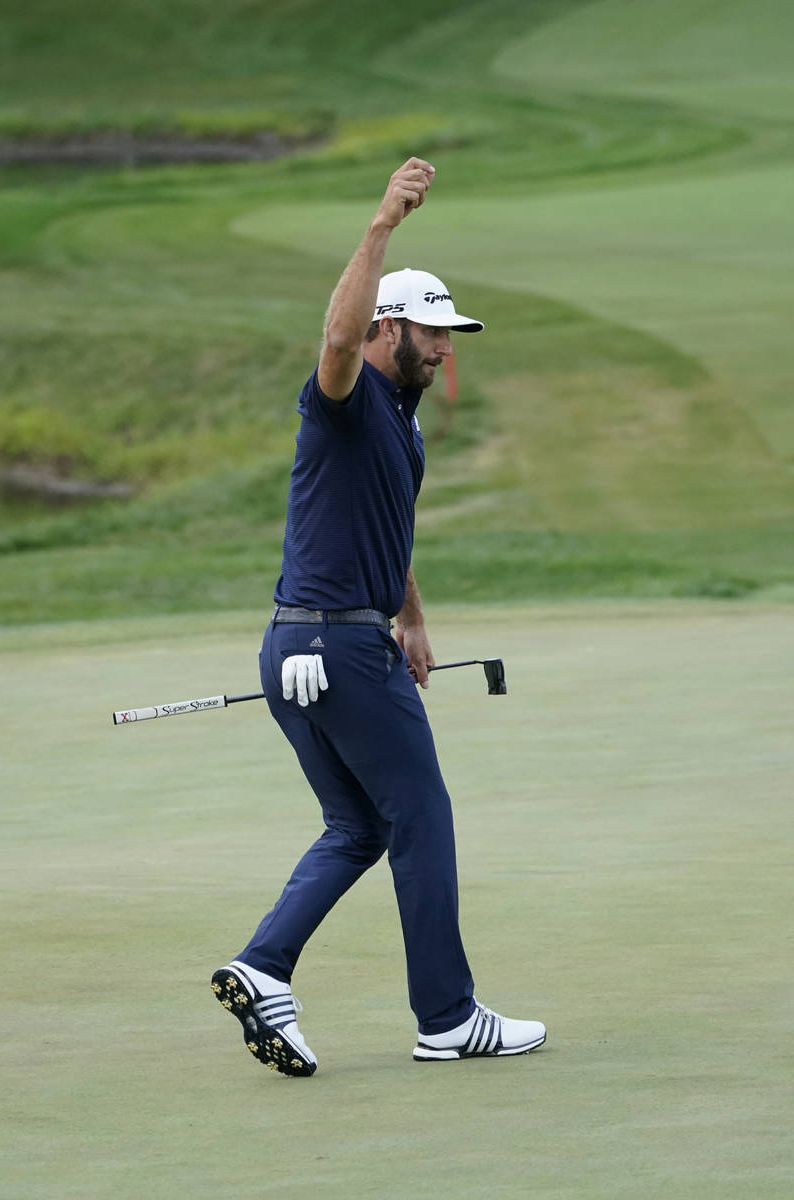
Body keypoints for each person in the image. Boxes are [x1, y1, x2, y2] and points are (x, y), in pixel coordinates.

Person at [210, 157, 546, 1076]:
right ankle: (448, 1015)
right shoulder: (346, 400)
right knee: (423, 817)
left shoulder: (402, 422)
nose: (445, 348)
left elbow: (385, 530)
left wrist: (412, 618)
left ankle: (263, 967)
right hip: (334, 647)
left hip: (300, 646)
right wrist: (382, 226)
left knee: (359, 827)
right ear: (388, 327)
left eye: (450, 335)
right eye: (431, 332)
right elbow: (334, 337)